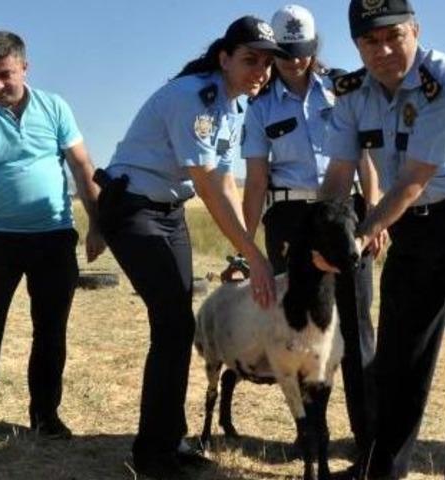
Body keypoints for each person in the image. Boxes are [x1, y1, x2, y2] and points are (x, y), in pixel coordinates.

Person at [320, 1, 445, 478]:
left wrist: (360, 237)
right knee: (397, 364)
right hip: (413, 228)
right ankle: (383, 471)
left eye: (394, 35)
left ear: (415, 30)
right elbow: (339, 173)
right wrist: (328, 230)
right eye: (370, 40)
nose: (384, 49)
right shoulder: (350, 93)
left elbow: (411, 180)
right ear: (356, 45)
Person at [97, 16, 281, 479]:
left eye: (267, 63)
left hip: (167, 212)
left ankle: (169, 440)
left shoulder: (232, 106)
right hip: (134, 209)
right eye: (250, 59)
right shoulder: (193, 98)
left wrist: (244, 248)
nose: (260, 70)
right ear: (224, 58)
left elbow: (227, 182)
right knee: (174, 323)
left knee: (177, 325)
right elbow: (208, 186)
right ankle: (151, 453)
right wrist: (256, 259)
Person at [0, 31, 103, 443]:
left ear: (24, 68)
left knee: (51, 329)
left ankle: (45, 416)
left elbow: (82, 166)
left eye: (5, 74)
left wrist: (99, 224)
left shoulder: (55, 107)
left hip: (54, 236)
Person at [241, 4, 381, 469]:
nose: (293, 61)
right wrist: (247, 245)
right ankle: (310, 435)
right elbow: (256, 179)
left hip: (342, 213)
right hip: (288, 219)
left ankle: (370, 439)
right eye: (283, 53)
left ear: (314, 48)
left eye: (301, 52)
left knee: (357, 326)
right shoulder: (260, 106)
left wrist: (375, 214)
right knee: (295, 333)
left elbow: (365, 156)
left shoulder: (344, 89)